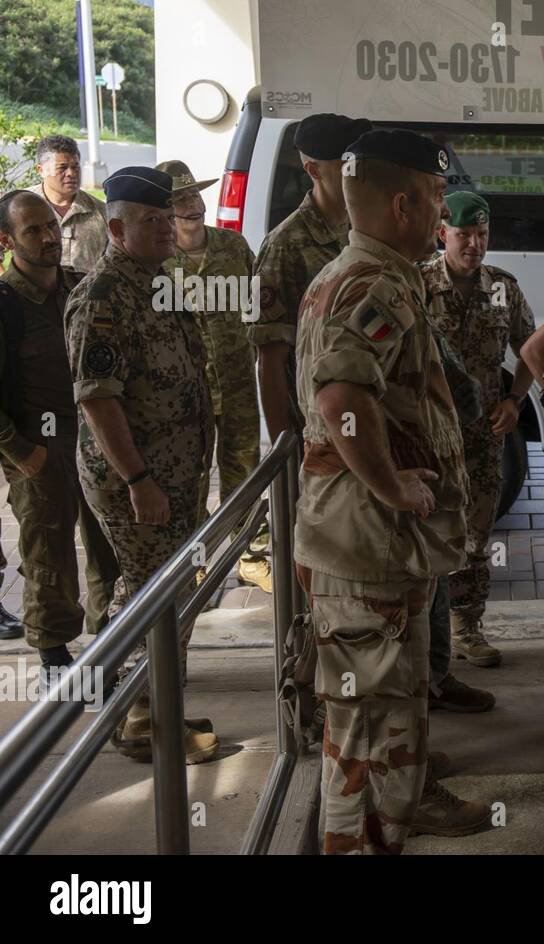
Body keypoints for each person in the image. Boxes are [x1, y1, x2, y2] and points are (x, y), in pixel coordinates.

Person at [294, 129, 489, 852]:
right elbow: (342, 391)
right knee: (368, 727)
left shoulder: (360, 271)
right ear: (404, 203)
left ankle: (382, 834)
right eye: (436, 197)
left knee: (377, 722)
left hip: (373, 547)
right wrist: (392, 483)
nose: (443, 211)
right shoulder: (373, 282)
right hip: (364, 543)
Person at [64, 167, 218, 764]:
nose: (165, 230)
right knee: (152, 599)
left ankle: (154, 710)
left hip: (174, 476)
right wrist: (138, 481)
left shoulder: (158, 281)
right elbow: (97, 396)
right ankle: (140, 721)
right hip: (138, 482)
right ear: (116, 228)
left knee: (168, 594)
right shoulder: (104, 296)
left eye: (167, 219)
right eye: (150, 221)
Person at [0, 190, 118, 670]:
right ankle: (54, 661)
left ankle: (112, 643)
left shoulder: (80, 288)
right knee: (49, 557)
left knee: (109, 549)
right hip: (39, 452)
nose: (50, 236)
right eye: (34, 230)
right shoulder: (6, 305)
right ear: (6, 240)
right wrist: (22, 452)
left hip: (97, 444)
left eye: (51, 225)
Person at [420, 191, 535, 673]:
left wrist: (515, 400)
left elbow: (531, 349)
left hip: (485, 435)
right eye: (464, 234)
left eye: (482, 234)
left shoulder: (503, 287)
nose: (474, 244)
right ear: (442, 233)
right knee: (426, 531)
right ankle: (425, 631)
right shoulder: (417, 284)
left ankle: (468, 627)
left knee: (476, 535)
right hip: (428, 436)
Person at [156, 160, 267, 592]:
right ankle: (195, 561)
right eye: (180, 199)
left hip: (238, 382)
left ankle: (251, 556)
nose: (191, 204)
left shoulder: (233, 247)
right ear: (166, 211)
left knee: (245, 472)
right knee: (192, 479)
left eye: (194, 195)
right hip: (188, 395)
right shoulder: (159, 263)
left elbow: (259, 304)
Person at [251, 113, 371, 445]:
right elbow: (270, 358)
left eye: (357, 161)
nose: (356, 171)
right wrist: (282, 448)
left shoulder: (363, 229)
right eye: (344, 163)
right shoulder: (283, 246)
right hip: (315, 428)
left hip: (363, 414)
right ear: (314, 171)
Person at [28, 135, 108, 274]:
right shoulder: (21, 207)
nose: (71, 173)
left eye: (75, 167)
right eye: (62, 168)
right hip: (32, 294)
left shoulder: (101, 212)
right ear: (41, 170)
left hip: (86, 294)